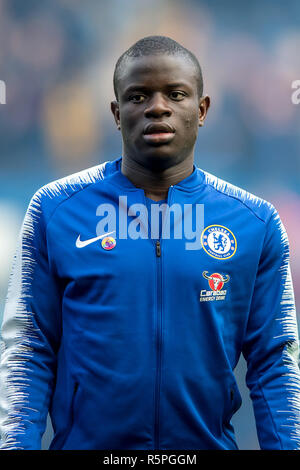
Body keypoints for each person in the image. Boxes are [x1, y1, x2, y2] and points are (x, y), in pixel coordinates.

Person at [0, 35, 300, 451]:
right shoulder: (54, 210)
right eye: (138, 95)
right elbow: (28, 349)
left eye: (175, 94)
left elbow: (275, 362)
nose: (157, 107)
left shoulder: (256, 222)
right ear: (116, 113)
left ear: (202, 109)